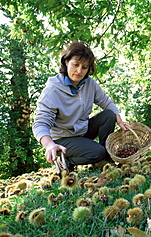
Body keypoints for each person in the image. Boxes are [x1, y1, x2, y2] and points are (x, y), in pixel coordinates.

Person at [32, 41, 129, 173]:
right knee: (97, 152)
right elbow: (40, 123)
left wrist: (119, 119)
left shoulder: (90, 83)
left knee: (109, 115)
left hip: (82, 130)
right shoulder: (52, 90)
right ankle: (66, 161)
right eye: (75, 65)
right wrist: (49, 145)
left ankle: (104, 159)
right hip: (63, 138)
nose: (79, 71)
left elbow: (106, 102)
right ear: (66, 62)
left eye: (84, 67)